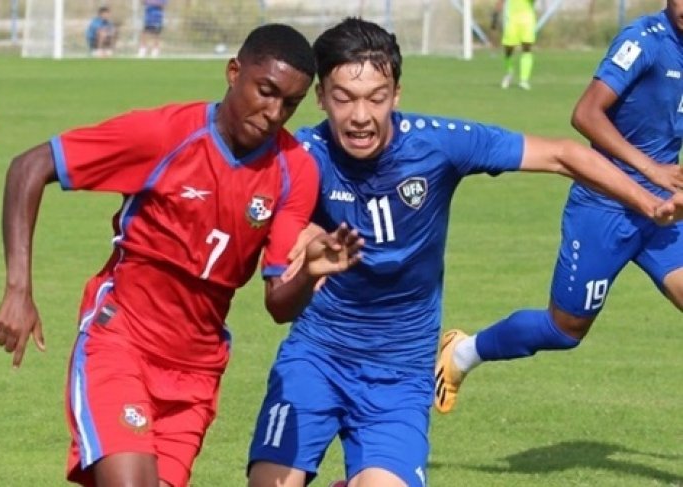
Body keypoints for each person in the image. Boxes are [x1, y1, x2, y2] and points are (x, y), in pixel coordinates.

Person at [245, 17, 683, 487]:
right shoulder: (301, 158)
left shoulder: (436, 144)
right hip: (317, 359)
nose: (360, 116)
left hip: (399, 376)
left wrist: (649, 203)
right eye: (344, 98)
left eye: (376, 97)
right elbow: (266, 274)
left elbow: (561, 154)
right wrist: (306, 263)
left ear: (396, 94)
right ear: (320, 97)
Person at [0, 24, 363, 487]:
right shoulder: (165, 135)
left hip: (195, 373)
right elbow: (29, 167)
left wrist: (308, 273)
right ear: (234, 72)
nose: (273, 113)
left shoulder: (294, 170)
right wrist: (18, 289)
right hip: (121, 342)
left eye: (289, 104)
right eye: (265, 91)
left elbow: (278, 305)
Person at [435, 2, 683, 415]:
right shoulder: (644, 41)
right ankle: (463, 352)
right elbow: (585, 113)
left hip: (663, 213)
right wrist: (651, 169)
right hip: (604, 208)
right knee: (564, 330)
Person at [492, 0, 537, 89]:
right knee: (508, 48)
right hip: (512, 20)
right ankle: (509, 72)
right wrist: (495, 17)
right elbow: (500, 1)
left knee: (527, 47)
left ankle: (524, 80)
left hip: (527, 19)